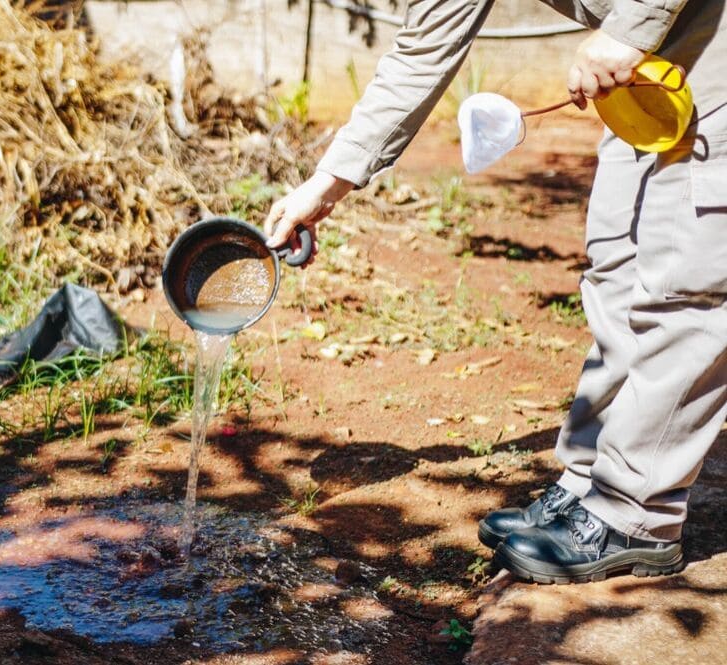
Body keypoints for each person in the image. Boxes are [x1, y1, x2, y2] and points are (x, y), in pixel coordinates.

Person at [264, 0, 727, 584]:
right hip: (648, 65)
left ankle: (636, 513)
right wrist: (326, 186)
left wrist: (628, 30)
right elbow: (421, 51)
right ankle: (590, 479)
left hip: (710, 45)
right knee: (617, 266)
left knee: (684, 286)